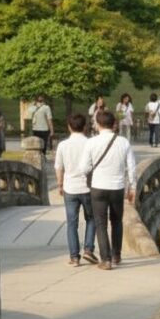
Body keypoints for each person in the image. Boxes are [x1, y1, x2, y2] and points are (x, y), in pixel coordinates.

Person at [77, 110, 136, 270]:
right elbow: (131, 166)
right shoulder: (123, 142)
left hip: (98, 187)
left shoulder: (91, 142)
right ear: (114, 124)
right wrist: (132, 186)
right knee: (116, 221)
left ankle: (106, 259)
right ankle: (116, 255)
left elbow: (83, 168)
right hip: (117, 187)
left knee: (100, 223)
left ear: (97, 124)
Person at [53, 113, 98, 266]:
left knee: (72, 223)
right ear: (84, 127)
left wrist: (60, 184)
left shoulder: (63, 145)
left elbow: (59, 167)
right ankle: (88, 249)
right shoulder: (91, 143)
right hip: (88, 187)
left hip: (70, 187)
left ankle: (74, 257)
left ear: (69, 127)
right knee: (91, 218)